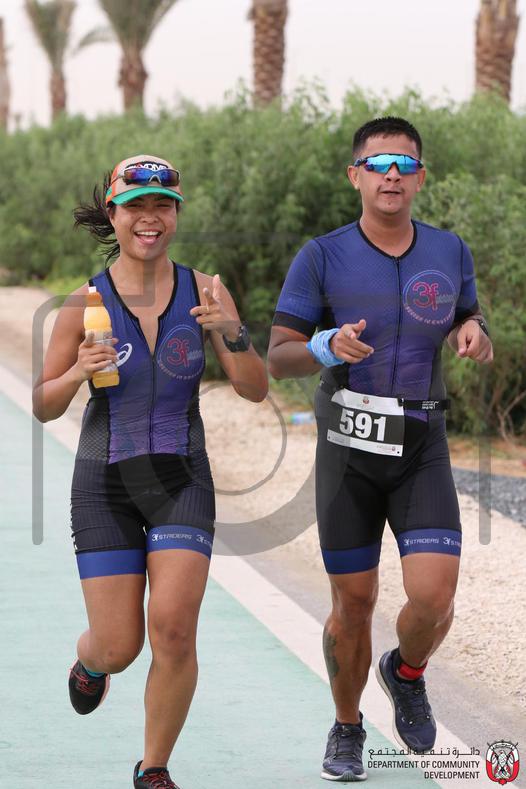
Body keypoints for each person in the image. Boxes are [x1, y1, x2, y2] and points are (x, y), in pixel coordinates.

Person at [267, 117, 493, 782]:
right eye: (378, 163)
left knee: (434, 596)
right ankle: (347, 726)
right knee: (355, 602)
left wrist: (474, 330)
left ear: (420, 178)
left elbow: (468, 314)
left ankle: (406, 671)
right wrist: (323, 345)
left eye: (405, 164)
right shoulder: (322, 256)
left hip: (422, 445)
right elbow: (277, 355)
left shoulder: (450, 250)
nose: (392, 174)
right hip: (349, 451)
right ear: (355, 176)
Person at [32, 154, 268, 789]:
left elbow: (255, 389)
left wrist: (233, 332)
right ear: (114, 215)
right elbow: (43, 403)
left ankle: (153, 768)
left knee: (174, 629)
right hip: (104, 484)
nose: (150, 216)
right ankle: (90, 661)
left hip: (181, 480)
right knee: (120, 646)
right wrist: (78, 371)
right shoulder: (84, 302)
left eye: (163, 204)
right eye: (136, 205)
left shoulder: (207, 292)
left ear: (176, 215)